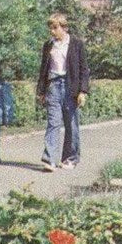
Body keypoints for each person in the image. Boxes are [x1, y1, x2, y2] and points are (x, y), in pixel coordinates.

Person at [36, 13, 89, 172]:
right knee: (53, 123)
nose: (52, 31)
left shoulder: (76, 44)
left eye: (55, 28)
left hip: (70, 87)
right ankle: (50, 159)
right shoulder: (48, 45)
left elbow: (84, 70)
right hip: (53, 86)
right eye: (50, 28)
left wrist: (83, 91)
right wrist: (41, 91)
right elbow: (43, 70)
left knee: (71, 124)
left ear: (64, 27)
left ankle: (70, 158)